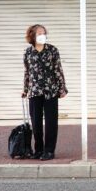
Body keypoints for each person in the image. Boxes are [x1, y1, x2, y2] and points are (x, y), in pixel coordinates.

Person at [21, 24, 67, 160]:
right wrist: (25, 89)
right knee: (35, 122)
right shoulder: (28, 52)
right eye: (40, 33)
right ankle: (39, 150)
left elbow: (58, 70)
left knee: (51, 122)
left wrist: (62, 88)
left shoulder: (52, 50)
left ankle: (49, 151)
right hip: (34, 91)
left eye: (44, 33)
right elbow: (27, 73)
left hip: (50, 91)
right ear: (32, 36)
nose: (43, 35)